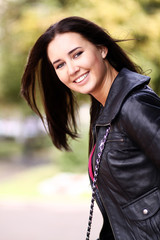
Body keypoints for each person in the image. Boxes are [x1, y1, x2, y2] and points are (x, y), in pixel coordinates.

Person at [21, 16, 160, 240]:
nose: (72, 69)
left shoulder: (134, 105)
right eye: (60, 65)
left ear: (102, 49)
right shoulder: (105, 112)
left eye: (77, 54)